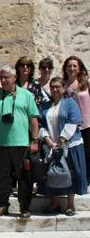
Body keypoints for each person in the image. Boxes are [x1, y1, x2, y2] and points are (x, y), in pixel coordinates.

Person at [0, 65, 39, 218]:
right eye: (1, 77)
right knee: (2, 178)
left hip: (21, 144)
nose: (3, 80)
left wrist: (35, 140)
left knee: (24, 177)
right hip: (0, 144)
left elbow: (33, 119)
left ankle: (24, 208)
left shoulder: (26, 95)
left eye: (6, 77)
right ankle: (3, 205)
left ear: (14, 78)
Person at [40, 77, 87, 216]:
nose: (55, 89)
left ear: (63, 88)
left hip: (70, 146)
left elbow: (73, 121)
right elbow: (41, 124)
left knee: (71, 173)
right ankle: (54, 203)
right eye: (52, 87)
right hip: (51, 146)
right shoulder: (45, 105)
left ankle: (70, 204)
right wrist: (48, 140)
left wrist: (61, 140)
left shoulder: (70, 103)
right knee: (53, 174)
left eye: (58, 87)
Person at [62, 56, 90, 180]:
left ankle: (87, 179)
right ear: (65, 68)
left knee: (88, 153)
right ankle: (77, 180)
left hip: (87, 124)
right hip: (70, 125)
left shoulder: (86, 83)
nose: (72, 68)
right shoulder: (62, 84)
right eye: (69, 66)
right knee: (74, 154)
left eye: (74, 66)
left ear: (79, 68)